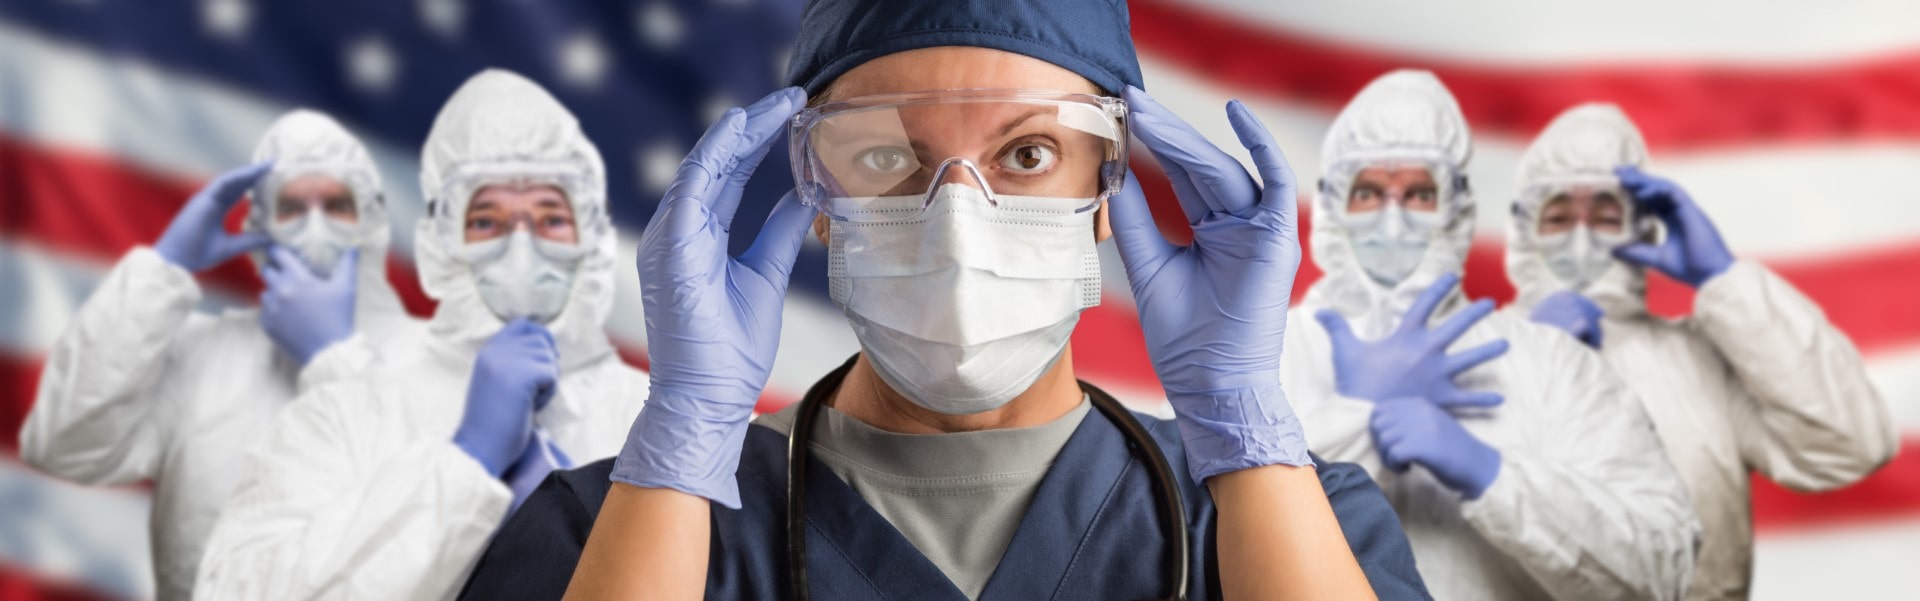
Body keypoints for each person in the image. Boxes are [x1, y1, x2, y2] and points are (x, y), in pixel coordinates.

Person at [460, 1, 1431, 599]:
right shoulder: (606, 528)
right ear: (819, 199)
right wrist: (683, 433)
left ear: (1110, 187)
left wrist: (1241, 422)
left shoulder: (1297, 518)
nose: (958, 219)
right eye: (886, 156)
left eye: (1028, 153)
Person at [190, 70, 649, 599]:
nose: (521, 248)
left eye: (550, 218)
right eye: (486, 222)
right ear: (439, 242)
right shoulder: (345, 418)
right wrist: (465, 464)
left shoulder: (657, 419)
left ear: (592, 236)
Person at [1279, 70, 1702, 600]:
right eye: (1368, 192)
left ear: (1457, 209)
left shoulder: (1548, 362)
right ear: (1332, 205)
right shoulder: (1265, 353)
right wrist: (1355, 422)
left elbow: (1662, 567)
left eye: (1418, 194)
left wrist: (1490, 472)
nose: (1392, 222)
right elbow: (1204, 535)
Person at [18, 110, 418, 601]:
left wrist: (332, 356)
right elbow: (63, 445)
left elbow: (425, 530)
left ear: (372, 218)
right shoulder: (201, 354)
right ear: (259, 225)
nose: (316, 226)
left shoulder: (434, 357)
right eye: (292, 207)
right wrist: (163, 269)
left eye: (337, 205)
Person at [1505, 103, 1897, 601]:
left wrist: (1724, 281)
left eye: (1607, 215)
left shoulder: (1699, 360)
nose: (1582, 238)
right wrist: (1524, 363)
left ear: (1643, 227)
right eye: (1558, 216)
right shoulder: (1476, 348)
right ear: (1523, 229)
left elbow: (1850, 445)